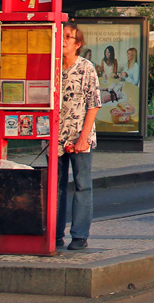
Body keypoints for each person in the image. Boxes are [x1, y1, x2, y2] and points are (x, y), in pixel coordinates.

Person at [57, 24, 101, 251]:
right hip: (55, 136)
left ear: (77, 43)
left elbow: (94, 104)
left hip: (79, 134)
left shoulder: (86, 68)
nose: (63, 41)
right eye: (61, 36)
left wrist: (83, 136)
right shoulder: (52, 67)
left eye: (68, 37)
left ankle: (79, 234)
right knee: (56, 186)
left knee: (82, 185)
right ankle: (55, 234)